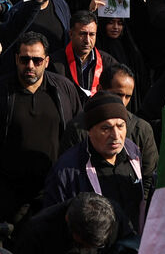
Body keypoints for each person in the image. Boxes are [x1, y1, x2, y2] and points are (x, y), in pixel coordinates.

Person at [0, 32, 81, 225]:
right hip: (8, 194)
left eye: (37, 60)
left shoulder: (63, 89)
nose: (30, 65)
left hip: (53, 190)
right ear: (16, 59)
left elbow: (78, 132)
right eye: (25, 59)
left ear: (46, 61)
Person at [42, 92, 150, 236]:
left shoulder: (133, 153)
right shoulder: (67, 171)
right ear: (90, 131)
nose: (116, 135)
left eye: (120, 126)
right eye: (106, 128)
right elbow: (54, 224)